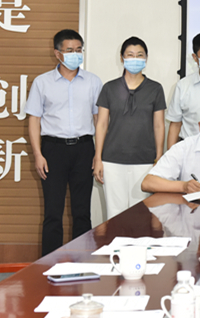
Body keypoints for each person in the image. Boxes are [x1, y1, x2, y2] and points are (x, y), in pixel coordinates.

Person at [26, 29, 103, 255]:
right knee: (53, 213)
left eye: (78, 50)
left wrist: (98, 155)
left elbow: (99, 121)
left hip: (84, 148)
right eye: (69, 50)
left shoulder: (93, 81)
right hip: (53, 150)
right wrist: (38, 155)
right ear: (57, 53)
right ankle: (49, 264)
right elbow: (34, 120)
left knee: (82, 212)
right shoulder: (42, 82)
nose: (75, 54)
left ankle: (82, 262)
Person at [92, 37, 167, 219]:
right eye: (130, 55)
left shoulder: (155, 88)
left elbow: (159, 125)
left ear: (146, 58)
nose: (135, 59)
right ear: (122, 58)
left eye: (139, 55)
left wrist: (159, 156)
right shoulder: (109, 88)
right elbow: (101, 124)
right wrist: (98, 157)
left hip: (145, 160)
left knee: (141, 215)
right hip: (112, 160)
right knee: (114, 215)